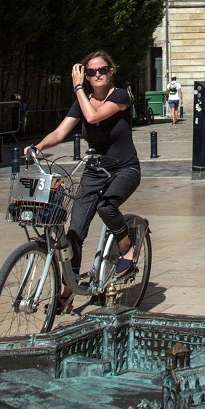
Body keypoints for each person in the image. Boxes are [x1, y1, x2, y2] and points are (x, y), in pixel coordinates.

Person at [26, 50, 141, 308]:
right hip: (94, 171)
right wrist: (38, 147)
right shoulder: (82, 101)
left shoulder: (120, 96)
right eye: (91, 72)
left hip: (125, 169)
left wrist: (77, 85)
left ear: (111, 71)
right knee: (74, 232)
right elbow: (60, 132)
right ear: (87, 75)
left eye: (102, 70)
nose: (97, 75)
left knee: (106, 206)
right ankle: (68, 290)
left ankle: (126, 245)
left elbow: (93, 117)